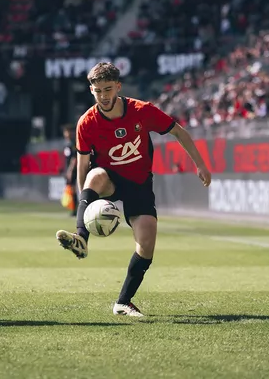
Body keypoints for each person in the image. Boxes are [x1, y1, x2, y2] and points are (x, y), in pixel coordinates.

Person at [56, 62, 211, 317]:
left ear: (118, 87)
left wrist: (201, 164)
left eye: (108, 89)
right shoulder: (86, 122)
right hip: (109, 180)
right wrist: (83, 202)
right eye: (98, 91)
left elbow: (178, 132)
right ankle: (81, 238)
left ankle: (123, 302)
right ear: (91, 90)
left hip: (139, 184)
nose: (103, 96)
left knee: (146, 245)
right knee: (95, 174)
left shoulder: (142, 110)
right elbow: (83, 165)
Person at [62, 124, 77, 217]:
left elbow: (74, 158)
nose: (66, 134)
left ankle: (75, 210)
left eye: (68, 131)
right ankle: (73, 209)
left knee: (73, 189)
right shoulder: (67, 144)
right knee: (71, 189)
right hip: (69, 170)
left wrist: (70, 170)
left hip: (74, 170)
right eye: (65, 132)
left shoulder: (74, 143)